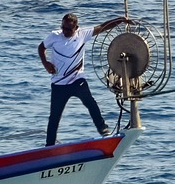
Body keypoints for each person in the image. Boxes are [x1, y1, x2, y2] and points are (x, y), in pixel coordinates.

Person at [38, 13, 129, 146]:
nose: (65, 31)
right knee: (54, 116)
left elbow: (103, 27)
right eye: (63, 27)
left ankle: (103, 129)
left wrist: (121, 20)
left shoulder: (83, 34)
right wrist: (45, 63)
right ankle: (49, 145)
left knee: (90, 103)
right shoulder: (54, 36)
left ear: (76, 28)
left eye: (69, 29)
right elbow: (41, 48)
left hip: (77, 80)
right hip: (59, 84)